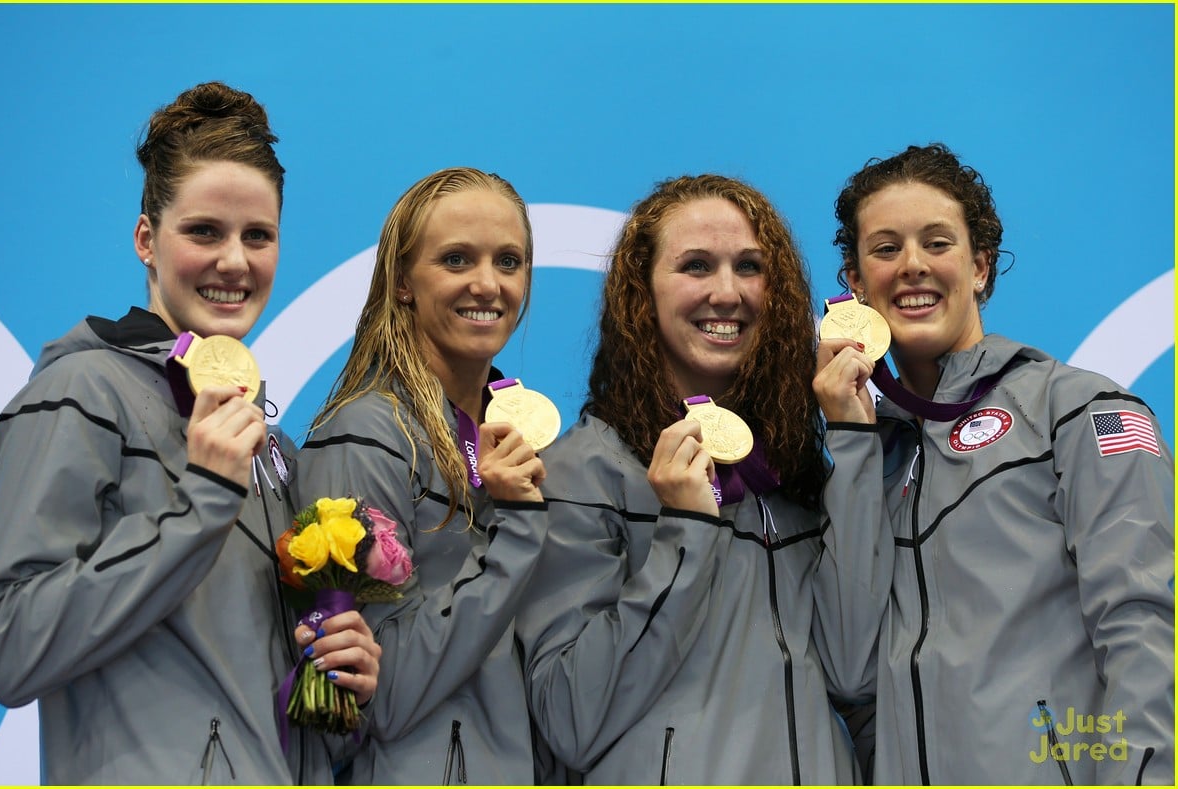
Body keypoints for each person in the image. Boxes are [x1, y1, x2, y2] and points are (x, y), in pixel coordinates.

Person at [0, 81, 381, 784]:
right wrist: (201, 498)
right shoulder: (79, 392)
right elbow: (9, 647)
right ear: (145, 240)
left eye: (258, 236)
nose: (234, 261)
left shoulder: (271, 451)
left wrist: (340, 681)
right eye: (204, 232)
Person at [813, 142, 1174, 784]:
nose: (912, 267)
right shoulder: (868, 456)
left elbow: (1148, 627)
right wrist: (848, 434)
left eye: (938, 243)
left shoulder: (1077, 408)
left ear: (980, 267)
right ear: (855, 283)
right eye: (886, 249)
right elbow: (848, 670)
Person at [517, 174, 864, 784]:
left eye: (750, 267)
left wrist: (855, 446)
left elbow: (853, 670)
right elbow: (568, 718)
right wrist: (684, 531)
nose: (727, 292)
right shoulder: (581, 471)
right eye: (697, 266)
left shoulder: (793, 468)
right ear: (640, 295)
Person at [296, 167, 550, 784]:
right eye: (457, 259)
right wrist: (517, 527)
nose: (488, 284)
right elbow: (378, 696)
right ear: (404, 281)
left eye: (509, 261)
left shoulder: (517, 439)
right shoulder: (364, 437)